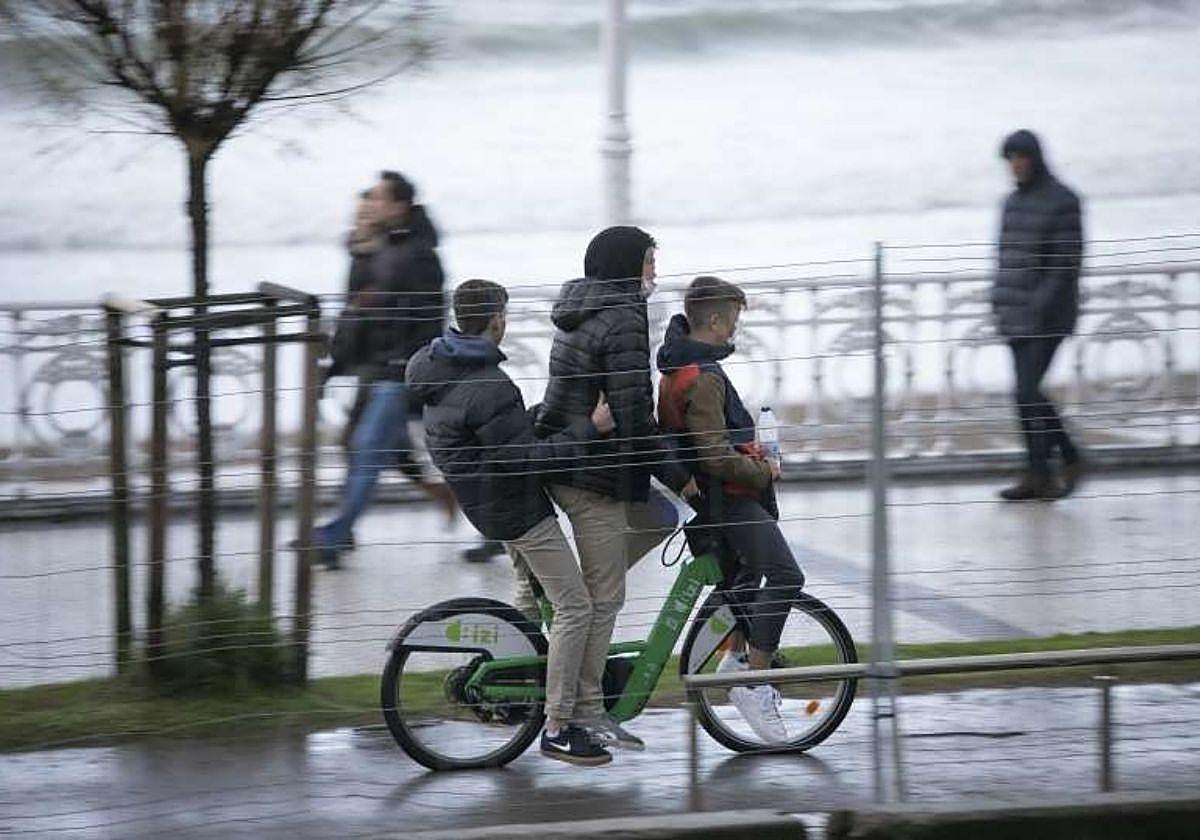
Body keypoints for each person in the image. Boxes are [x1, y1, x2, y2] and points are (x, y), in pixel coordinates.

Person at [406, 279, 617, 766]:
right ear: (498, 319)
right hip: (517, 509)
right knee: (576, 606)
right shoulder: (489, 383)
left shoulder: (441, 366)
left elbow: (499, 439)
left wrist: (548, 415)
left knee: (531, 597)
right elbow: (526, 459)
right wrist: (591, 428)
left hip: (487, 505)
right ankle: (560, 725)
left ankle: (515, 689)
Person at [534, 226, 698, 750]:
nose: (655, 270)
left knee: (659, 517)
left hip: (569, 459)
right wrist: (681, 476)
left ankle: (566, 600)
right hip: (591, 474)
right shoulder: (624, 318)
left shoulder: (582, 308)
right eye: (650, 261)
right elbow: (633, 417)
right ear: (629, 265)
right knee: (604, 598)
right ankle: (583, 711)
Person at [657, 276, 805, 744]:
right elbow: (714, 456)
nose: (734, 331)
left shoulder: (678, 366)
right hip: (730, 502)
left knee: (742, 582)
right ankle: (754, 683)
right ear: (716, 321)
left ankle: (736, 656)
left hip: (714, 500)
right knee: (785, 576)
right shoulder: (701, 378)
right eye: (733, 321)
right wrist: (765, 472)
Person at [316, 171, 451, 569]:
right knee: (377, 450)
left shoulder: (417, 254)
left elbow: (423, 317)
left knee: (368, 448)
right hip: (381, 371)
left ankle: (334, 535)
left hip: (398, 373)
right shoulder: (390, 249)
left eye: (378, 199)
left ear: (398, 206)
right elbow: (360, 316)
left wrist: (404, 363)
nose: (371, 207)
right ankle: (463, 505)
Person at [991, 130, 1085, 501]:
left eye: (1021, 157)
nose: (1016, 165)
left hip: (1049, 317)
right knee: (1024, 395)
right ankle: (1040, 472)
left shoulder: (1063, 200)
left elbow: (1066, 263)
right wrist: (999, 300)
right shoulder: (1011, 203)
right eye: (1011, 158)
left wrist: (1038, 306)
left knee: (1029, 391)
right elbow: (1005, 259)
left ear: (1036, 158)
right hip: (1014, 313)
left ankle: (1065, 458)